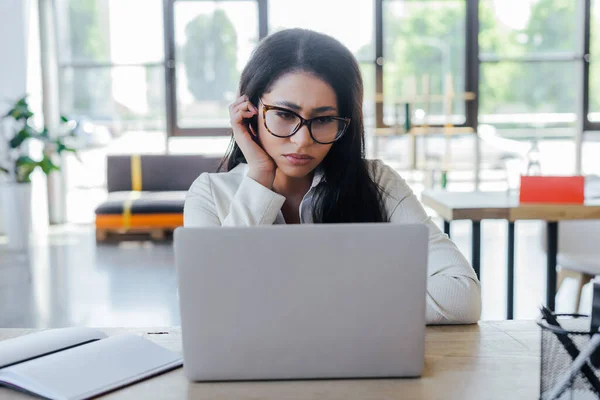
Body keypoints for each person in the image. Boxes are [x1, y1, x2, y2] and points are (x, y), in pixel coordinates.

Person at [184, 29, 481, 325]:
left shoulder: (377, 181)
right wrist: (260, 177)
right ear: (249, 112)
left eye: (324, 119)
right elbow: (211, 307)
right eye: (285, 115)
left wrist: (297, 302)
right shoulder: (209, 194)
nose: (302, 141)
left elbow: (462, 295)